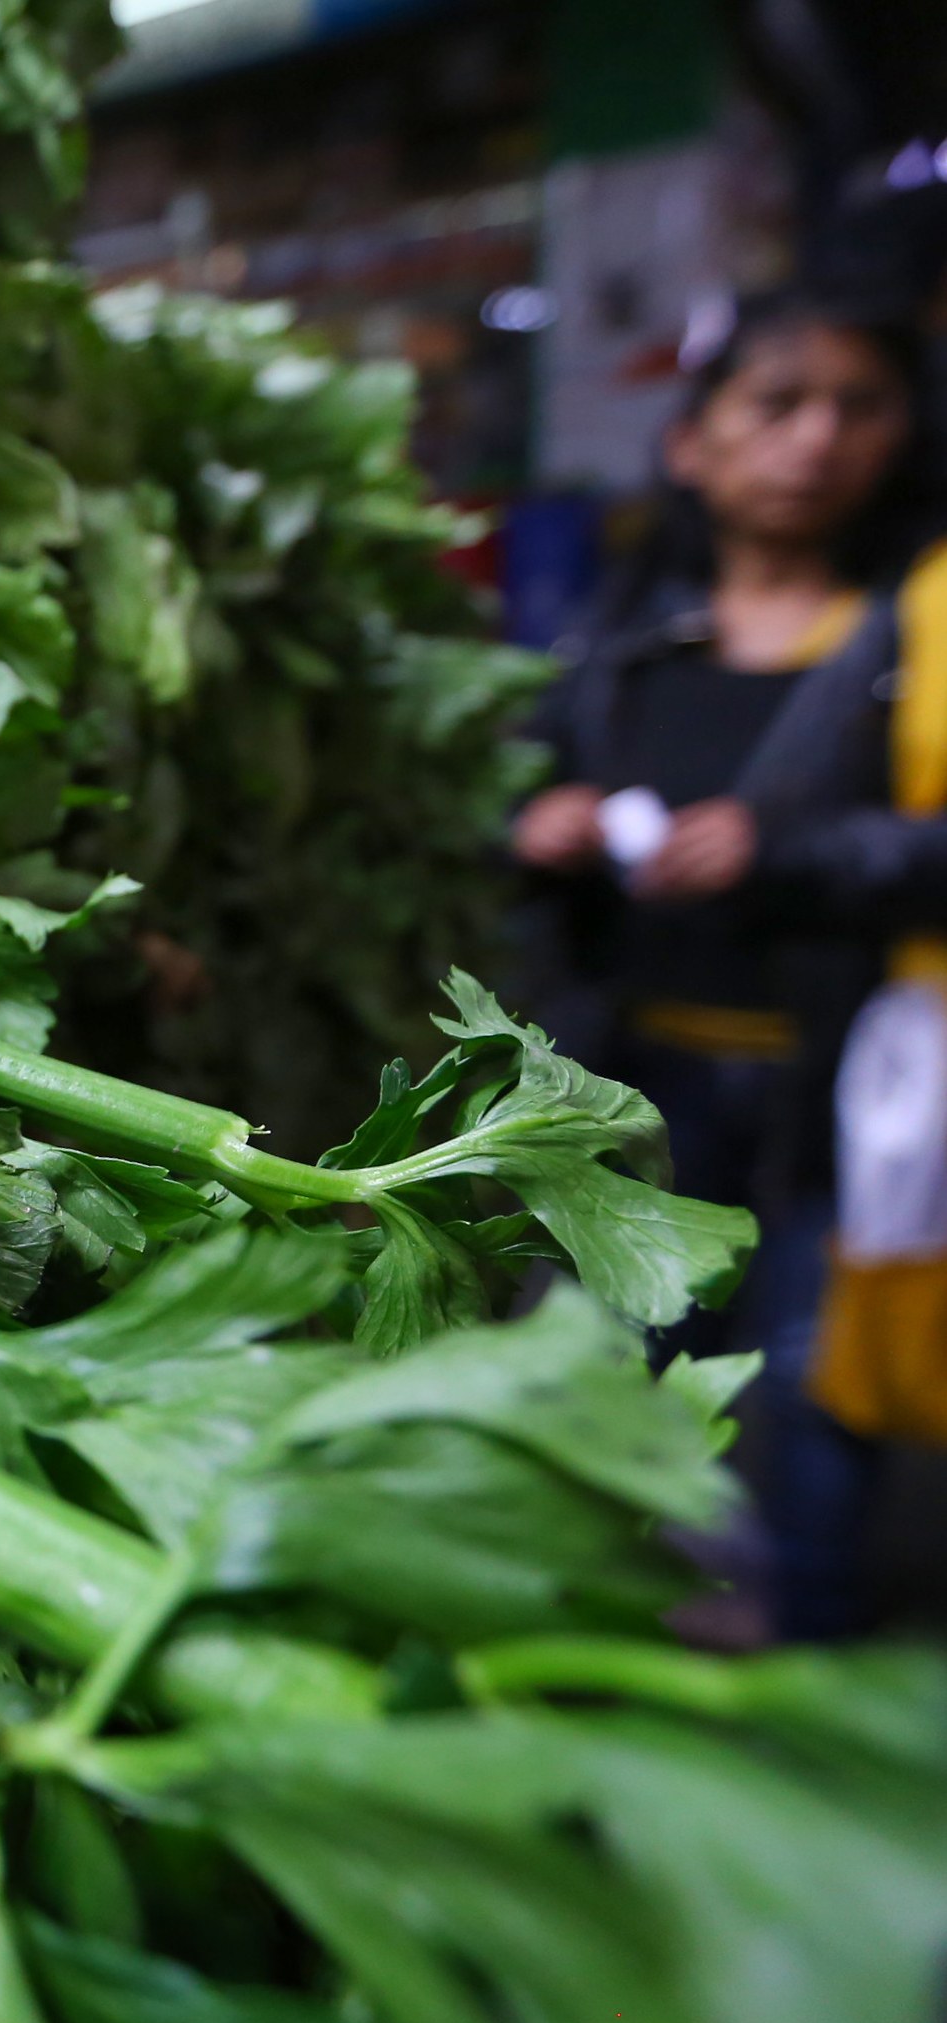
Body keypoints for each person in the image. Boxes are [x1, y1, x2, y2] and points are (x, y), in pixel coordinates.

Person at [509, 287, 940, 1641]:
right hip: (637, 1088)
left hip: (838, 1105)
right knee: (604, 1382)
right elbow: (523, 785)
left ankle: (805, 1700)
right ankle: (588, 1648)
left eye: (856, 408)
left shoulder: (912, 640)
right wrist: (539, 829)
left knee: (817, 1406)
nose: (815, 440)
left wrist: (783, 849)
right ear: (691, 443)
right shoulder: (620, 640)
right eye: (776, 404)